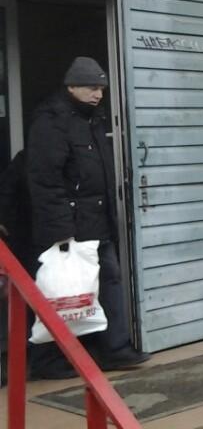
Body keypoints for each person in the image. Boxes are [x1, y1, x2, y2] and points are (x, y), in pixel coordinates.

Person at [27, 57, 150, 380]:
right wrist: (61, 231)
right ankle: (48, 360)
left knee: (108, 282)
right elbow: (44, 180)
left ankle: (114, 349)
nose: (98, 94)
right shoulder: (51, 122)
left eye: (101, 88)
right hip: (68, 227)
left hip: (96, 222)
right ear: (72, 86)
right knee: (59, 290)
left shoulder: (93, 119)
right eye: (92, 87)